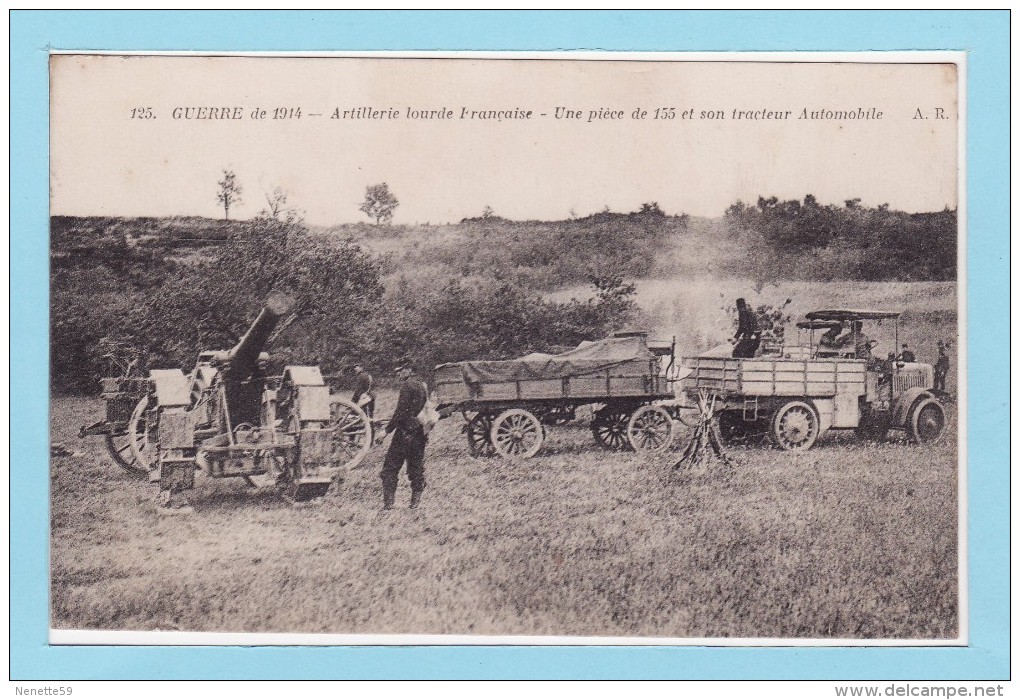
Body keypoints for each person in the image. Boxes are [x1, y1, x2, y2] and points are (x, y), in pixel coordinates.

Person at [375, 358, 428, 510]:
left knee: (390, 468)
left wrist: (386, 430)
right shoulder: (422, 385)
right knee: (416, 467)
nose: (399, 374)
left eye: (401, 370)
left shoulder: (407, 386)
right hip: (419, 432)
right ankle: (415, 503)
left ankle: (388, 504)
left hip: (404, 433)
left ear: (409, 370)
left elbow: (401, 412)